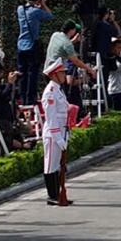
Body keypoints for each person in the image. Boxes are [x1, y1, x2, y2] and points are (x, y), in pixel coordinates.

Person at [40, 58, 73, 205]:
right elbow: (51, 117)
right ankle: (52, 196)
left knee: (57, 165)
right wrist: (58, 137)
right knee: (50, 165)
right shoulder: (50, 92)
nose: (64, 75)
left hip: (61, 131)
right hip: (53, 134)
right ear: (54, 75)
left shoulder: (58, 90)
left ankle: (58, 194)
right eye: (62, 72)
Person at [14, 0, 52, 106]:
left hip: (21, 45)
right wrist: (43, 3)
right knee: (32, 73)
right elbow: (50, 16)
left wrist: (37, 2)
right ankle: (30, 98)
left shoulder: (20, 9)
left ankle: (22, 96)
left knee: (22, 73)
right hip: (31, 45)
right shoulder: (36, 12)